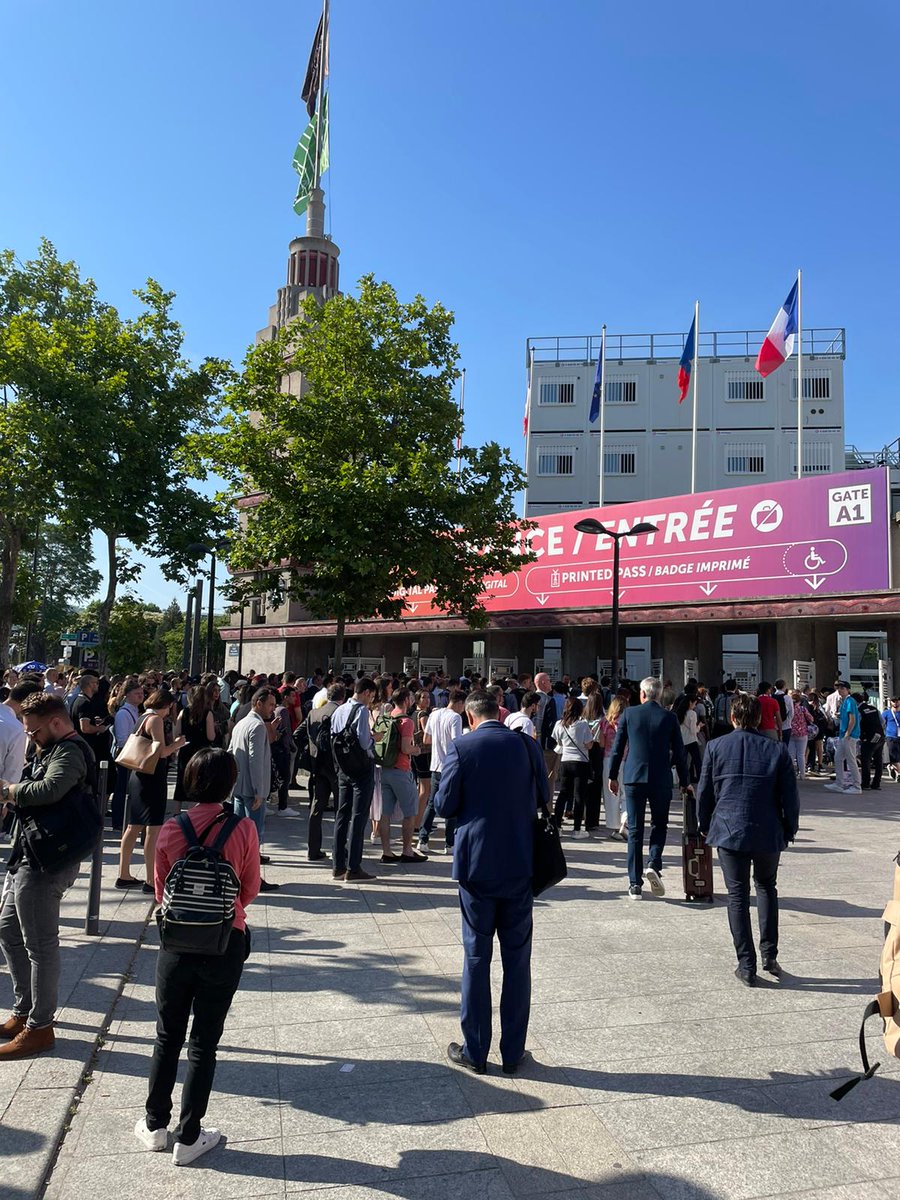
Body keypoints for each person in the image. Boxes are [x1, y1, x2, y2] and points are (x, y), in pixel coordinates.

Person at [135, 748, 260, 1164]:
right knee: (204, 1042)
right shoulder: (242, 829)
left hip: (176, 944)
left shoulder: (172, 829)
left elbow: (159, 890)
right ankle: (190, 1136)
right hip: (225, 941)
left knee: (167, 1035)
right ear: (230, 782)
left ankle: (155, 1124)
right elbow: (249, 889)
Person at [435, 691, 549, 1074]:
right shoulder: (526, 746)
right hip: (520, 861)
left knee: (476, 956)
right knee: (518, 959)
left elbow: (444, 804)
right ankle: (513, 1052)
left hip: (476, 865)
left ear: (470, 717)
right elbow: (544, 797)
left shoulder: (462, 747)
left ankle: (476, 1050)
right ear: (499, 713)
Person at [0, 693, 96, 1060]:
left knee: (40, 945)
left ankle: (40, 1027)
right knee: (8, 931)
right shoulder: (52, 746)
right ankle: (24, 1013)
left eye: (35, 731)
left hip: (47, 861)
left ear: (56, 722)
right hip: (33, 853)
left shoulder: (70, 751)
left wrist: (8, 791)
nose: (31, 738)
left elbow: (51, 788)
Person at [698, 693, 800, 986]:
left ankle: (746, 964)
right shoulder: (776, 750)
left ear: (732, 717)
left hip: (730, 829)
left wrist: (705, 824)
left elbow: (705, 791)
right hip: (768, 829)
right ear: (759, 719)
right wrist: (790, 828)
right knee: (767, 887)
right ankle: (770, 955)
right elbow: (790, 797)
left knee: (737, 895)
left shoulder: (716, 747)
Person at [607, 676, 690, 900]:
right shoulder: (669, 717)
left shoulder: (630, 714)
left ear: (642, 694)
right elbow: (680, 753)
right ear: (659, 694)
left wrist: (612, 775)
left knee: (634, 830)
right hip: (660, 778)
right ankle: (654, 861)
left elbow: (617, 748)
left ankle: (635, 884)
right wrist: (685, 781)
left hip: (634, 776)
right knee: (659, 824)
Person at [117, 691, 185, 893]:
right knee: (153, 828)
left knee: (133, 825)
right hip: (152, 777)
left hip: (138, 775)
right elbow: (161, 751)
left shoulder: (142, 716)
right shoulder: (155, 719)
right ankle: (150, 879)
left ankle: (123, 874)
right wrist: (177, 745)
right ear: (167, 705)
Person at [230, 687, 279, 893]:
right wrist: (259, 790)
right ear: (258, 703)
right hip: (252, 791)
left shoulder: (242, 723)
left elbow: (231, 752)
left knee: (238, 837)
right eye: (270, 705)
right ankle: (252, 879)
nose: (273, 709)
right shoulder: (257, 726)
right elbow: (255, 759)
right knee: (252, 838)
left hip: (240, 789)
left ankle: (237, 876)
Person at [330, 677, 378, 883]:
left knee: (342, 815)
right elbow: (364, 740)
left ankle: (338, 865)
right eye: (372, 696)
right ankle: (354, 867)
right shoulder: (361, 711)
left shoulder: (339, 709)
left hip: (343, 767)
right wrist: (375, 739)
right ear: (366, 692)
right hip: (361, 768)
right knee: (359, 816)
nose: (372, 700)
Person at [376, 688, 427, 864]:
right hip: (401, 770)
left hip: (385, 768)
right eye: (411, 697)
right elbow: (405, 748)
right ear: (405, 700)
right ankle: (407, 851)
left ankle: (387, 852)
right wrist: (417, 749)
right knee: (410, 812)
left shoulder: (387, 716)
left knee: (385, 813)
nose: (413, 699)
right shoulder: (406, 721)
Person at [418, 688, 466, 854]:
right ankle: (450, 843)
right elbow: (457, 743)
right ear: (459, 702)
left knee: (432, 803)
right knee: (452, 803)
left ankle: (422, 839)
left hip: (435, 764)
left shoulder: (434, 714)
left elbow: (426, 739)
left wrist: (439, 741)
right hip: (450, 765)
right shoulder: (455, 717)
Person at [304, 683, 345, 862]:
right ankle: (339, 850)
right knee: (340, 809)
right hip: (336, 767)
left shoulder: (313, 713)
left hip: (318, 765)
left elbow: (300, 734)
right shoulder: (341, 713)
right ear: (342, 697)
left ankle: (313, 849)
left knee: (317, 808)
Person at [550, 696, 594, 837]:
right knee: (579, 795)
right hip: (580, 761)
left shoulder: (559, 724)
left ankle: (557, 826)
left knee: (563, 794)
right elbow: (588, 744)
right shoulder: (582, 725)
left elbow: (558, 741)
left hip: (565, 761)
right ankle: (577, 829)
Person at [110, 677, 144, 832]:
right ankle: (118, 821)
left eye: (141, 693)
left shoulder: (135, 711)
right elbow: (122, 739)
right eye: (137, 693)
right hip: (126, 755)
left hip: (134, 754)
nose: (141, 695)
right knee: (122, 789)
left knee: (128, 789)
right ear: (127, 695)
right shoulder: (123, 714)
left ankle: (125, 818)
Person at [825, 681, 862, 795]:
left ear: (848, 690)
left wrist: (847, 733)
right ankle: (839, 783)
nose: (840, 690)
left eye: (843, 688)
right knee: (838, 758)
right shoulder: (845, 701)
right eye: (839, 688)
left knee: (851, 760)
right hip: (843, 734)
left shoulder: (850, 701)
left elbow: (852, 719)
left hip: (849, 735)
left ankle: (857, 786)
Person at [857, 692, 886, 791]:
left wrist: (861, 737)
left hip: (869, 737)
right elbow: (882, 722)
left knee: (866, 759)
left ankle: (865, 783)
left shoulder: (859, 710)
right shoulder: (874, 708)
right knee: (878, 760)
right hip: (880, 735)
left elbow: (857, 725)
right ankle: (876, 783)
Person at [786, 689, 814, 778]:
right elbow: (811, 719)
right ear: (799, 701)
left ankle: (790, 774)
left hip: (791, 732)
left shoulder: (789, 709)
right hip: (802, 733)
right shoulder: (802, 709)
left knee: (791, 755)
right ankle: (802, 774)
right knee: (801, 755)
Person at [884, 697, 900, 782]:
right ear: (890, 703)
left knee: (898, 757)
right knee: (894, 756)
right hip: (891, 736)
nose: (895, 703)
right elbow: (882, 724)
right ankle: (899, 774)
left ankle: (892, 768)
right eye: (893, 701)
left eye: (897, 701)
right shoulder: (887, 713)